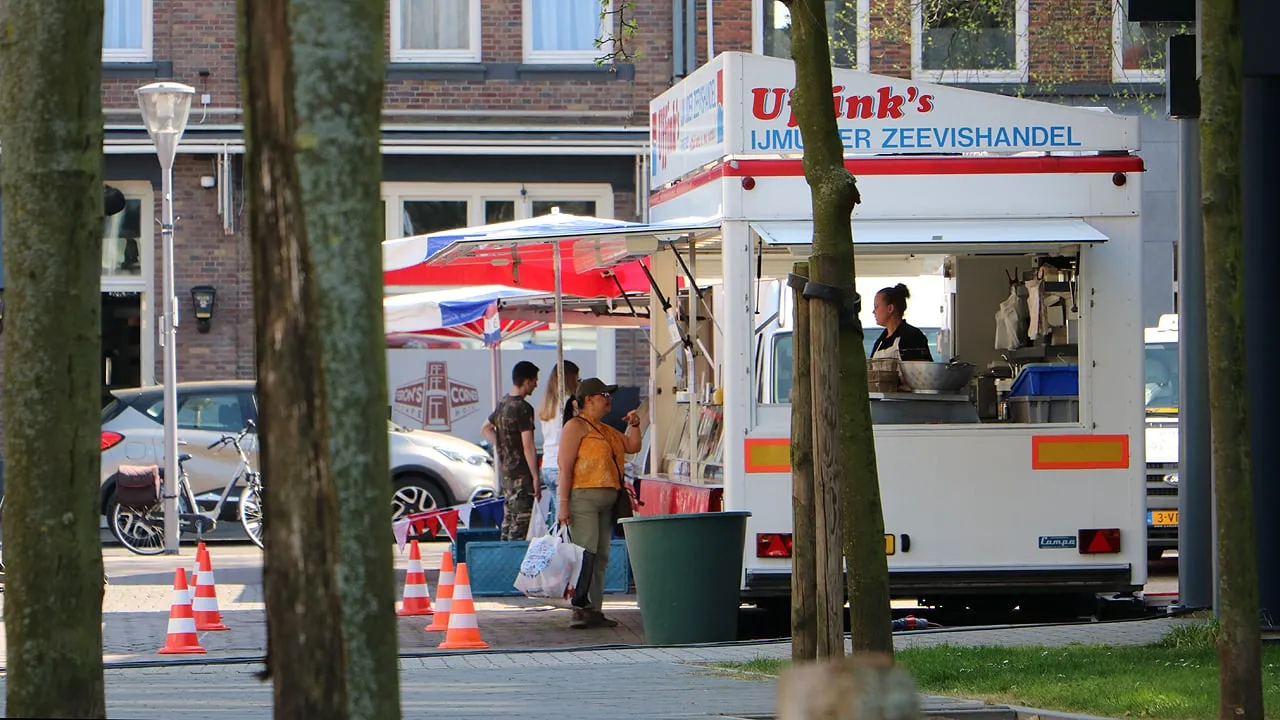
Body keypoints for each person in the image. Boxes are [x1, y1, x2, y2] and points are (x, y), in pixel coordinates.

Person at [556, 378, 642, 629]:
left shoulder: (604, 429)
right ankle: (581, 608)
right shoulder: (575, 426)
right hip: (583, 498)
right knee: (586, 553)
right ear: (589, 400)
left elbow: (633, 445)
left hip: (608, 500)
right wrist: (563, 503)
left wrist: (635, 425)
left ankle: (595, 608)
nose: (609, 399)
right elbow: (565, 467)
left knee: (601, 555)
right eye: (605, 394)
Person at [481, 361, 541, 541]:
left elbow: (485, 428)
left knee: (508, 522)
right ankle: (514, 565)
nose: (536, 384)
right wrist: (536, 477)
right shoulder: (523, 408)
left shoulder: (503, 403)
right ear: (527, 381)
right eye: (535, 380)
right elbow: (528, 445)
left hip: (506, 474)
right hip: (522, 476)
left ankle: (503, 562)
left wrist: (501, 447)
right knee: (520, 526)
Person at [537, 360, 580, 520]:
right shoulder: (568, 404)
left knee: (556, 516)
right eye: (576, 378)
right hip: (562, 465)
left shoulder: (547, 404)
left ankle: (555, 544)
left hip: (547, 464)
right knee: (566, 518)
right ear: (570, 379)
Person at [869, 283, 933, 362]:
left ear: (890, 308)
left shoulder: (912, 336)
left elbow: (920, 371)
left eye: (876, 307)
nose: (873, 312)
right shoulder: (880, 342)